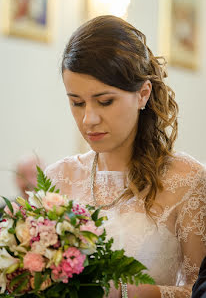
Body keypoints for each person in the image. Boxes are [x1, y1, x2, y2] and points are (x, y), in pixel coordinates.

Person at [45, 15, 206, 298]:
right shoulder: (57, 178)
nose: (88, 119)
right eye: (77, 102)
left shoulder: (188, 180)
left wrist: (129, 292)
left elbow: (198, 290)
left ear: (143, 94)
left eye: (105, 101)